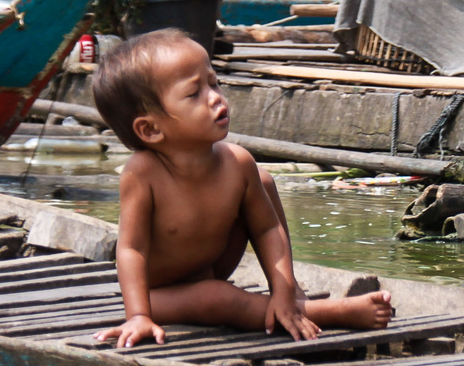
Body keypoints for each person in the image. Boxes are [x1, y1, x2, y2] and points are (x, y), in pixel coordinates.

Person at [89, 29, 393, 349]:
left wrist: (282, 287)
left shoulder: (237, 162)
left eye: (213, 82)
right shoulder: (143, 173)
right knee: (215, 297)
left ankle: (291, 298)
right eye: (194, 93)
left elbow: (267, 228)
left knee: (261, 179)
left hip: (211, 268)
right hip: (160, 297)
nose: (215, 97)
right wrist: (138, 314)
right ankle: (329, 313)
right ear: (150, 128)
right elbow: (131, 249)